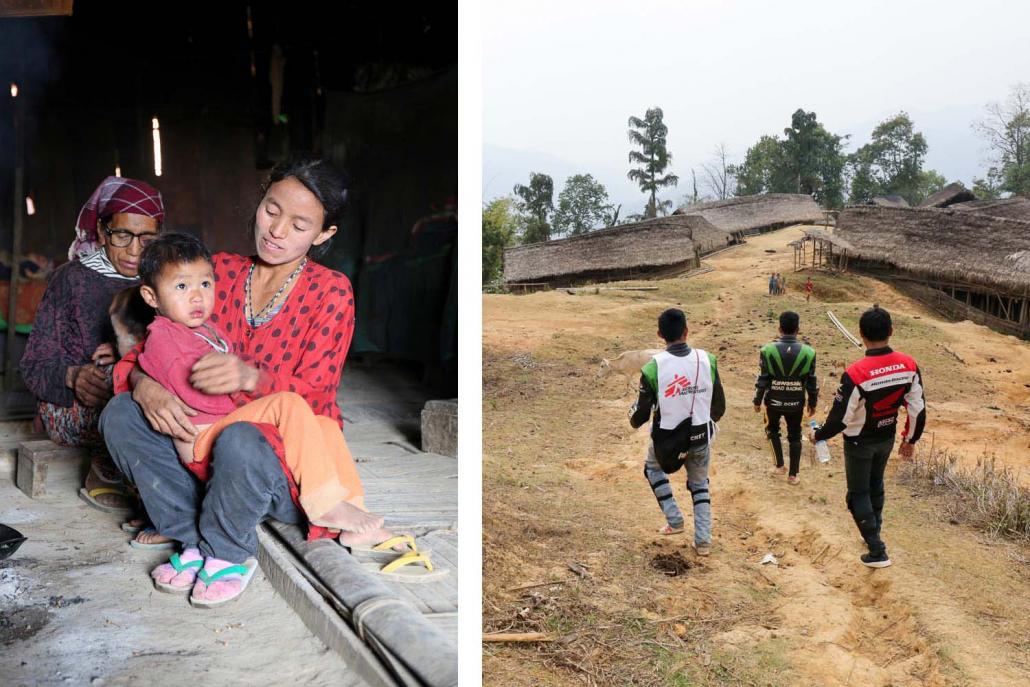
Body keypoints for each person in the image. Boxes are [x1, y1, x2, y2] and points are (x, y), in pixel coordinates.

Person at [100, 156, 401, 607]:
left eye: (300, 225)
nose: (277, 230)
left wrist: (251, 377)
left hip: (273, 463)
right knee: (121, 411)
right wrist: (146, 385)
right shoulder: (216, 270)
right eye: (272, 209)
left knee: (241, 439)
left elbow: (317, 395)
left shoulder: (330, 291)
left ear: (323, 235)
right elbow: (152, 349)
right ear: (259, 202)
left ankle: (228, 548)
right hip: (199, 446)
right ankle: (191, 535)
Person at [134, 232, 373, 529]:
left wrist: (244, 380)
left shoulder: (207, 329)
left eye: (205, 284)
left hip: (225, 425)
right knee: (287, 404)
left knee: (322, 422)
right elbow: (194, 395)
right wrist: (240, 386)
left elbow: (318, 391)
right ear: (150, 296)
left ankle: (352, 507)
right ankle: (322, 505)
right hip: (202, 437)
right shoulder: (164, 336)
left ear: (324, 232)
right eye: (182, 286)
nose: (197, 296)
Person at [20, 176, 163, 514]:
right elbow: (33, 367)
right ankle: (107, 466)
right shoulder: (71, 280)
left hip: (141, 397)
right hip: (76, 408)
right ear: (101, 232)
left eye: (146, 237)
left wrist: (131, 351)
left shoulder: (165, 281)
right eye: (122, 235)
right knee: (120, 396)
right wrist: (72, 377)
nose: (133, 249)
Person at [810, 306, 926, 568]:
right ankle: (873, 531)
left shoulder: (856, 373)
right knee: (876, 486)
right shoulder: (909, 365)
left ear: (861, 334)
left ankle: (877, 550)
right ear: (891, 331)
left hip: (858, 442)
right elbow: (917, 409)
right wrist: (910, 441)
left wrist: (818, 435)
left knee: (857, 495)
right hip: (887, 437)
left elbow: (840, 419)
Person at [630, 308, 725, 556]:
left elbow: (639, 416)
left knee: (652, 468)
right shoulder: (708, 360)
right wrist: (703, 421)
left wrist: (633, 416)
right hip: (701, 435)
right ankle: (703, 542)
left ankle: (674, 520)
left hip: (667, 442)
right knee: (700, 484)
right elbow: (719, 407)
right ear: (687, 331)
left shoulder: (653, 368)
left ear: (660, 334)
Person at [753, 311, 818, 485]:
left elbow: (763, 379)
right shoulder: (809, 352)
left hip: (772, 401)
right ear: (798, 329)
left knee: (772, 431)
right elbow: (812, 382)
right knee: (795, 436)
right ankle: (793, 475)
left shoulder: (767, 350)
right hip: (796, 403)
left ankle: (779, 466)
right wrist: (813, 403)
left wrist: (757, 400)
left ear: (779, 328)